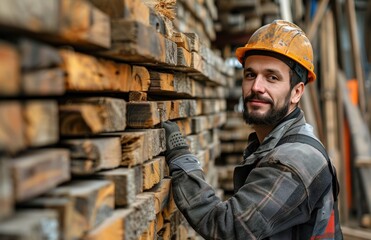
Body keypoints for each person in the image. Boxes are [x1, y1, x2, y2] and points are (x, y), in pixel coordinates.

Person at [162, 20, 343, 239]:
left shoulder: (295, 160)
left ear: (296, 92)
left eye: (272, 77)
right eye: (250, 75)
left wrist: (182, 159)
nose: (256, 87)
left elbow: (227, 227)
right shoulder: (274, 144)